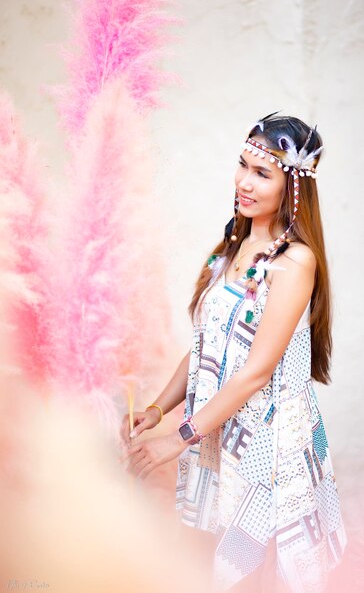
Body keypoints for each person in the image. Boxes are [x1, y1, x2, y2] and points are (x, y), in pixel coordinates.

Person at [120, 112, 348, 593]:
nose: (244, 182)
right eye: (242, 165)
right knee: (212, 568)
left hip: (266, 441)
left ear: (293, 186)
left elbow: (254, 373)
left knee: (257, 573)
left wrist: (175, 438)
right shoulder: (231, 248)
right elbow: (205, 346)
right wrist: (158, 410)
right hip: (218, 431)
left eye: (262, 173)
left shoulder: (294, 261)